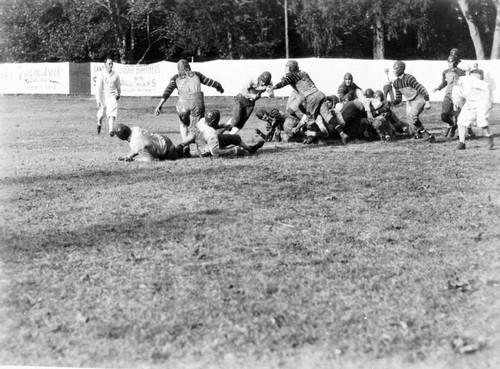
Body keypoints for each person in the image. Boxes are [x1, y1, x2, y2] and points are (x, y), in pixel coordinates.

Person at [269, 60, 349, 144]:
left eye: (286, 66)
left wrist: (272, 88)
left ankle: (319, 136)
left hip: (312, 98)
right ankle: (342, 133)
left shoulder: (292, 75)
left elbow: (283, 83)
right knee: (327, 116)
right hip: (320, 94)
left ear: (290, 67)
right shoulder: (303, 73)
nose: (284, 68)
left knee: (309, 119)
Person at [154, 59, 224, 153]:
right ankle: (202, 149)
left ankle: (185, 147)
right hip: (197, 102)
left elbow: (168, 91)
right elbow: (211, 82)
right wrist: (219, 87)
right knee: (196, 128)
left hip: (182, 104)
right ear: (189, 67)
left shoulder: (175, 77)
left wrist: (159, 105)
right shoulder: (196, 74)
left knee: (183, 124)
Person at [392, 60, 436, 142]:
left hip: (418, 98)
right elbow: (399, 98)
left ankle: (426, 134)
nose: (393, 71)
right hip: (409, 102)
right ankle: (419, 133)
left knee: (412, 117)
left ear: (401, 69)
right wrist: (392, 103)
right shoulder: (395, 83)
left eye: (395, 69)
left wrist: (427, 102)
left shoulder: (409, 78)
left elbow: (422, 89)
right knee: (411, 121)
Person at [195, 110, 265, 157]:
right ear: (213, 121)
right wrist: (232, 150)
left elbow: (210, 126)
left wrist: (222, 126)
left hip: (201, 147)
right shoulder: (211, 133)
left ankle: (250, 149)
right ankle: (250, 149)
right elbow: (215, 152)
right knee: (236, 138)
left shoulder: (202, 121)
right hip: (208, 150)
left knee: (230, 138)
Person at [452, 75, 494, 150]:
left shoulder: (469, 80)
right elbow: (456, 97)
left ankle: (489, 137)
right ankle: (462, 143)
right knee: (461, 121)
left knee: (482, 121)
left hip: (482, 101)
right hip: (470, 103)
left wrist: (489, 101)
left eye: (447, 77)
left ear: (454, 78)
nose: (446, 79)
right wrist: (456, 104)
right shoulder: (455, 86)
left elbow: (486, 86)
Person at [432, 54, 466, 138]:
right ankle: (452, 125)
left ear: (455, 63)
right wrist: (438, 88)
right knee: (444, 116)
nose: (449, 64)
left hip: (458, 96)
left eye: (451, 62)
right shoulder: (445, 71)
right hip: (448, 95)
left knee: (458, 116)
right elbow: (445, 82)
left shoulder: (461, 72)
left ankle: (460, 134)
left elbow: (465, 83)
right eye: (448, 62)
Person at [113, 123, 178, 162]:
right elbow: (139, 147)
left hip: (168, 151)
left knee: (179, 156)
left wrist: (135, 160)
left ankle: (181, 151)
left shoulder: (135, 142)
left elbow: (149, 159)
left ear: (121, 137)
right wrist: (129, 156)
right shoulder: (136, 129)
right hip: (164, 139)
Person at [95, 58, 121, 136]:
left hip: (112, 95)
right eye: (109, 64)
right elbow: (98, 88)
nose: (111, 65)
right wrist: (98, 100)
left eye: (111, 63)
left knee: (112, 112)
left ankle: (111, 130)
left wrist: (118, 94)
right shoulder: (102, 74)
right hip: (103, 94)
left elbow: (118, 86)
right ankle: (99, 122)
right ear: (105, 65)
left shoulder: (115, 74)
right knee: (101, 114)